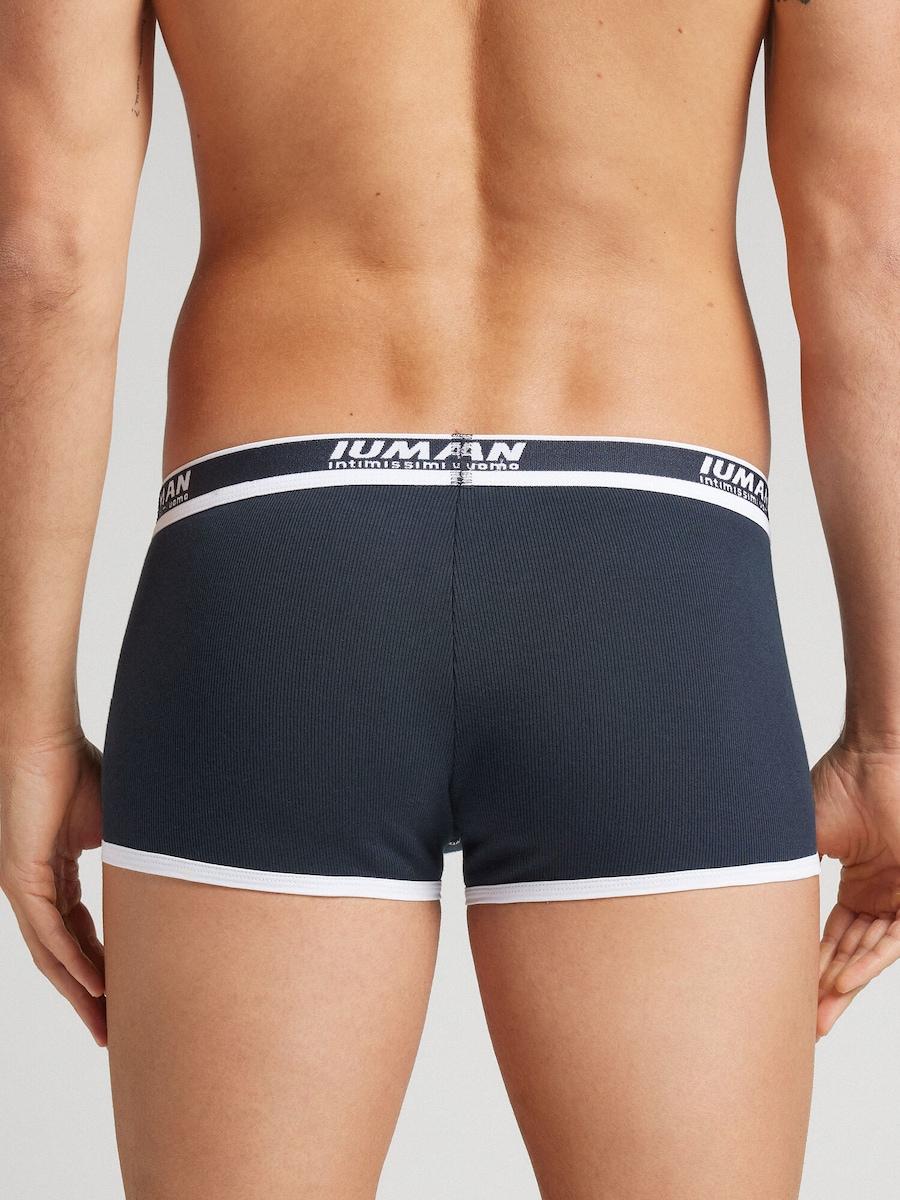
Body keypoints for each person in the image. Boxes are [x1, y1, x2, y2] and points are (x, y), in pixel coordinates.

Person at [1, 0, 898, 1196]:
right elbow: (869, 248)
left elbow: (43, 254)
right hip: (647, 573)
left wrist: (24, 729)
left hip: (278, 570)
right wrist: (891, 735)